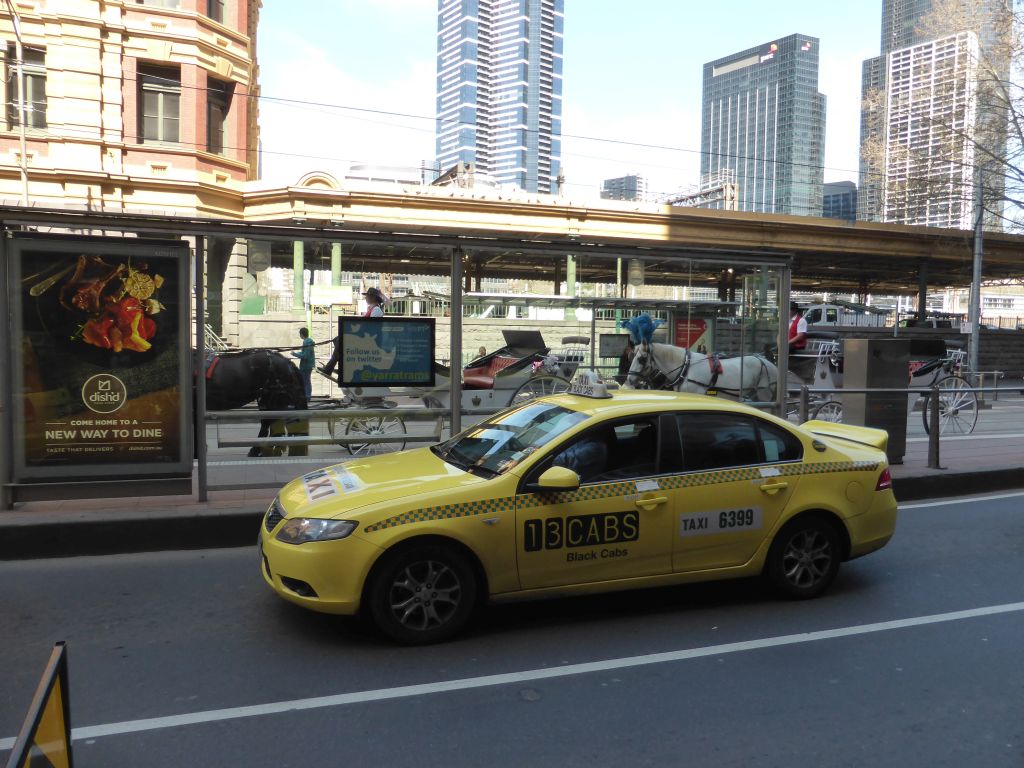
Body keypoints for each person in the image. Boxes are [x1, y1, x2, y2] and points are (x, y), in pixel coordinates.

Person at [319, 287, 388, 377]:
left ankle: (329, 368)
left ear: (373, 298)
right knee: (336, 340)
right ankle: (342, 367)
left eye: (367, 296)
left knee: (340, 341)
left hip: (369, 340)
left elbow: (371, 327)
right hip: (364, 337)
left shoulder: (376, 310)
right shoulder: (372, 309)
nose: (366, 298)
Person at [292, 327, 315, 401]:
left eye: (300, 334)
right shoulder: (308, 341)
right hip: (308, 365)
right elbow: (304, 353)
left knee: (305, 381)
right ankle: (306, 396)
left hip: (305, 366)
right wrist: (296, 353)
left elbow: (305, 356)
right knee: (306, 381)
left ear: (302, 334)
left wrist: (295, 354)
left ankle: (307, 396)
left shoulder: (306, 342)